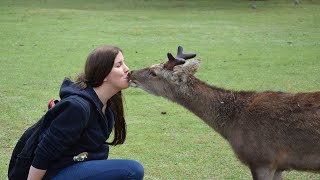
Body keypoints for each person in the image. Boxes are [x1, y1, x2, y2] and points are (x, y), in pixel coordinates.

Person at [27, 45, 144, 179]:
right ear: (103, 74)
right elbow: (44, 152)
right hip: (56, 172)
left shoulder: (109, 103)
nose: (126, 69)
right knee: (132, 170)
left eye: (124, 63)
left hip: (75, 166)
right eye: (118, 65)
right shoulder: (78, 108)